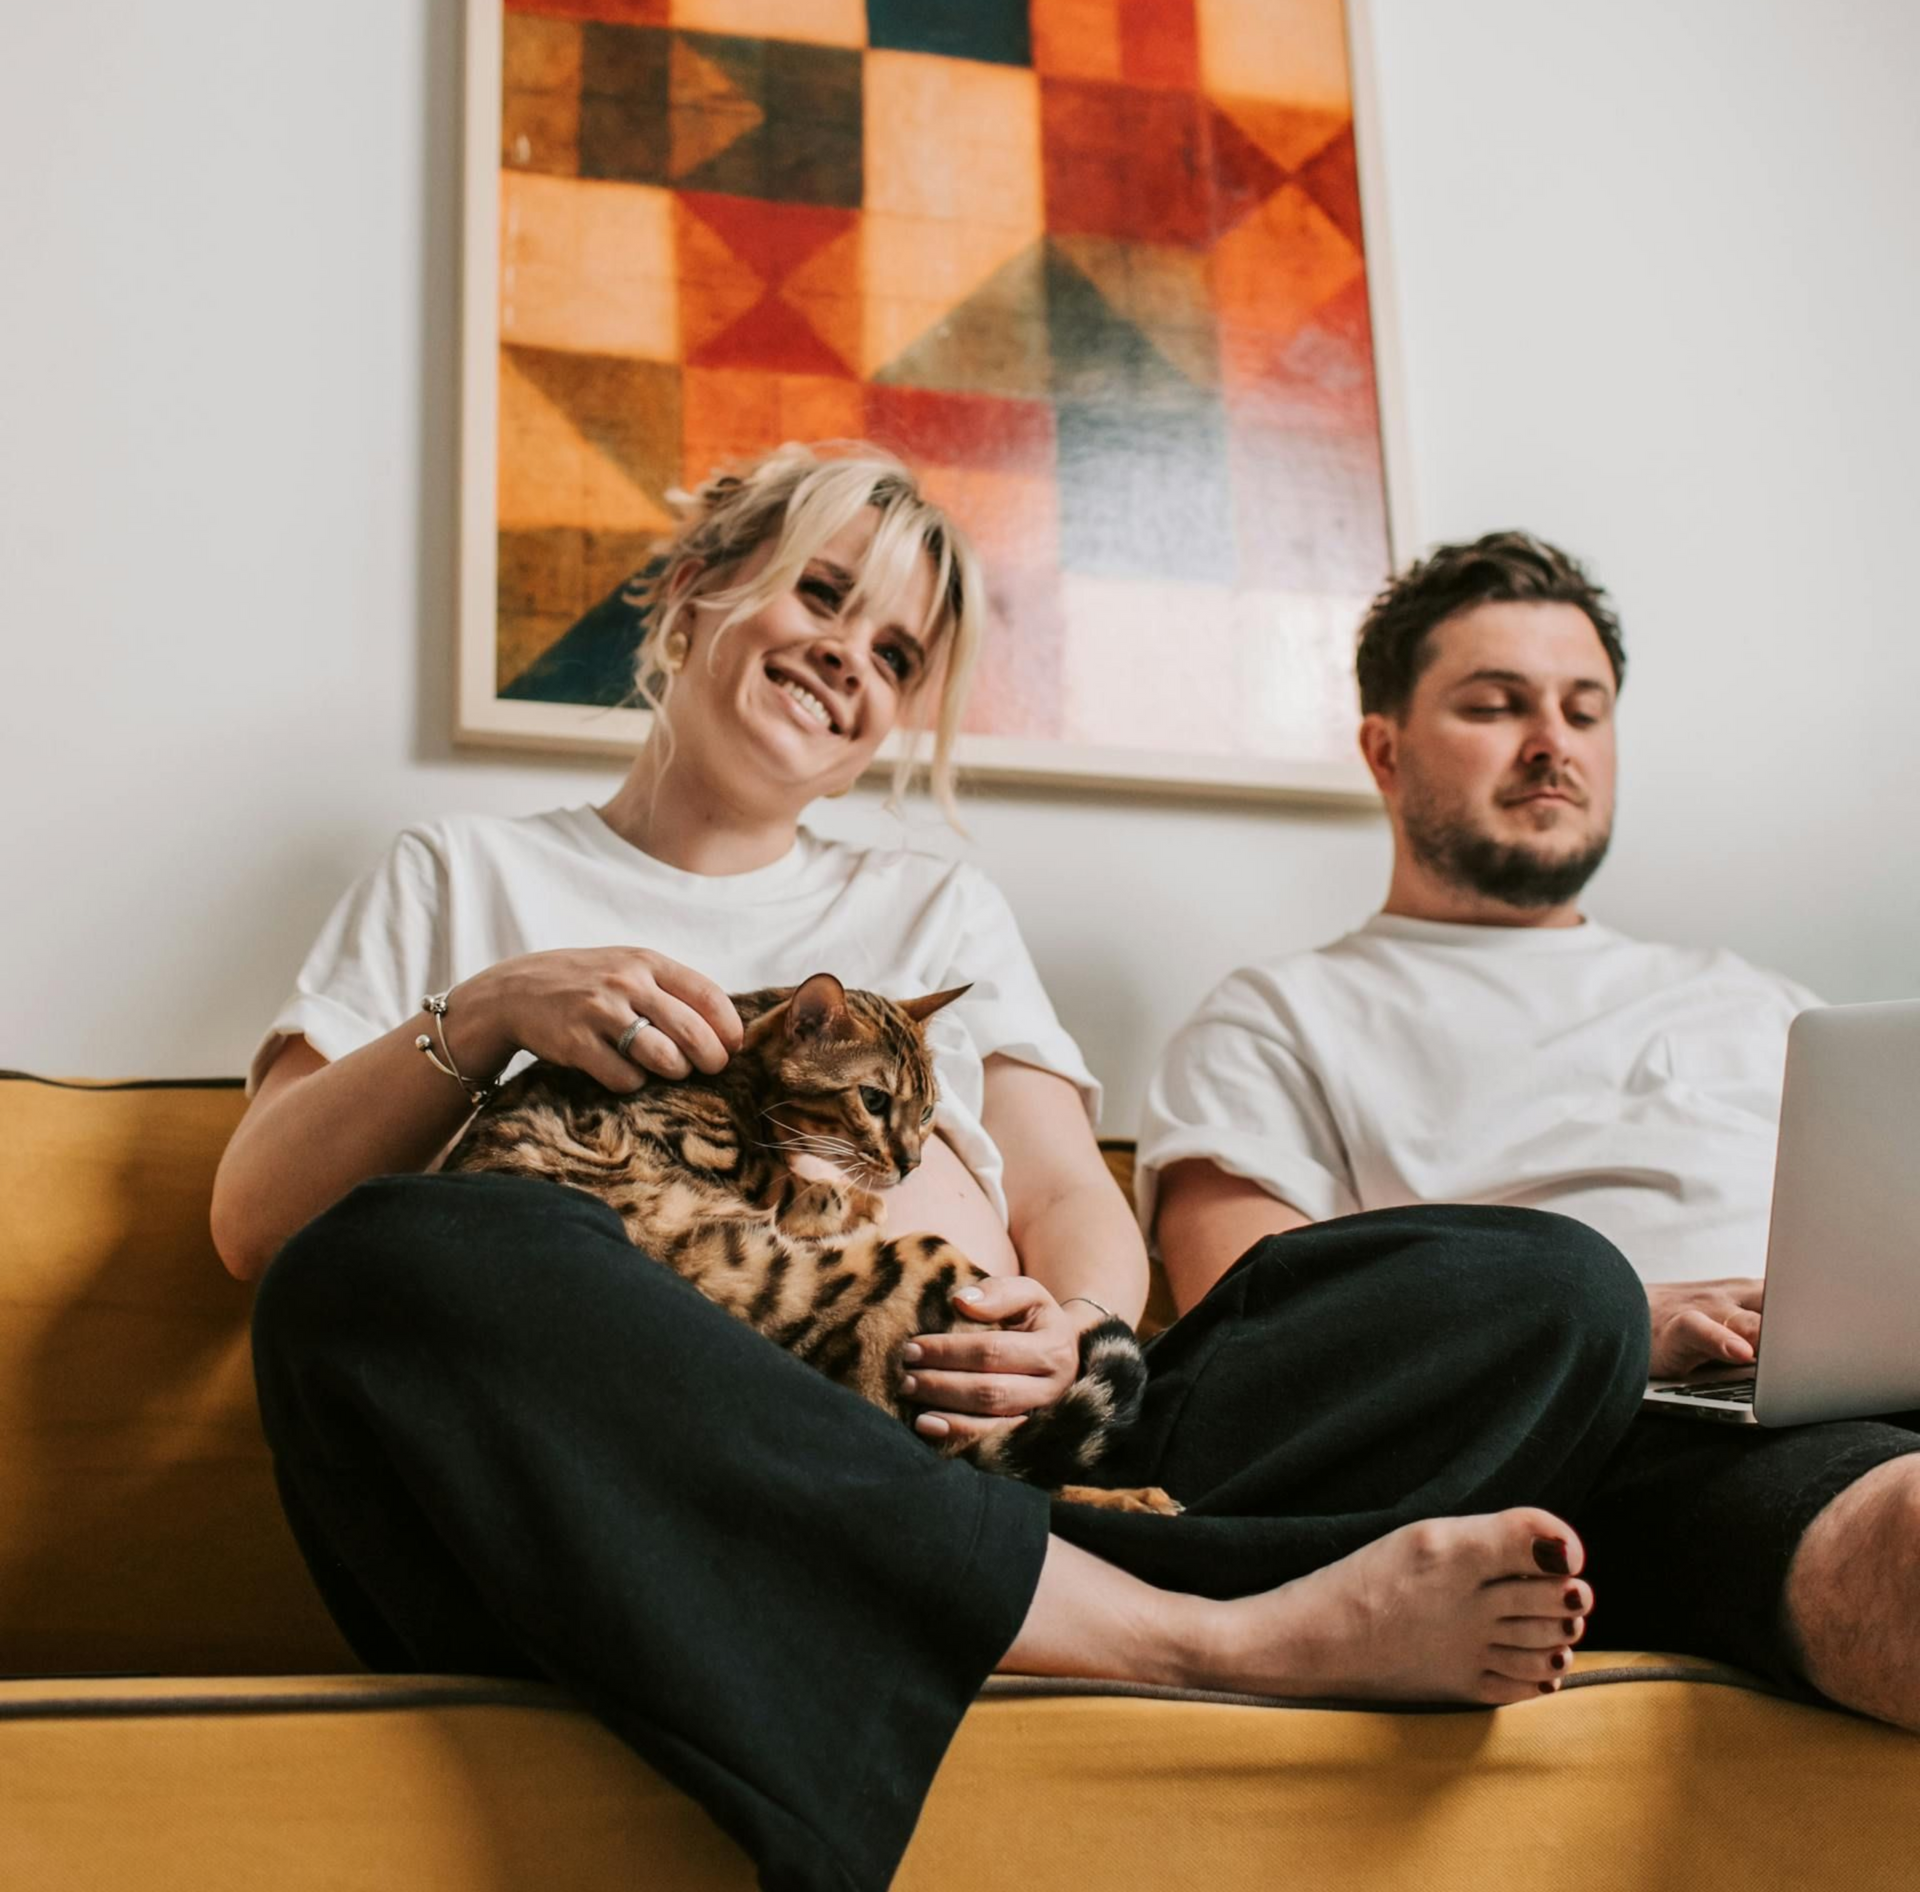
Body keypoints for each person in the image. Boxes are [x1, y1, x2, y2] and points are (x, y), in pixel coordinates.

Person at [214, 454, 1646, 1892]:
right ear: (697, 584)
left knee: (1552, 1290)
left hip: (1010, 1448)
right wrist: (490, 1009)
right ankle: (1199, 1635)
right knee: (384, 1265)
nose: (850, 656)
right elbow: (257, 1223)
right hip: (643, 1499)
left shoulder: (934, 906)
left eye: (896, 651)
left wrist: (1078, 1322)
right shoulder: (457, 876)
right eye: (822, 595)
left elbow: (1073, 1197)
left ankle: (1016, 1587)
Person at [1145, 528, 1920, 1733]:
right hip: (1631, 1428)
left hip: (1852, 1375)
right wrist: (1629, 1324)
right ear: (1384, 751)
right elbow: (1253, 1330)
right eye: (1498, 705)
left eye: (1585, 708)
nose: (1553, 742)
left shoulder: (1758, 997)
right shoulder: (1277, 1016)